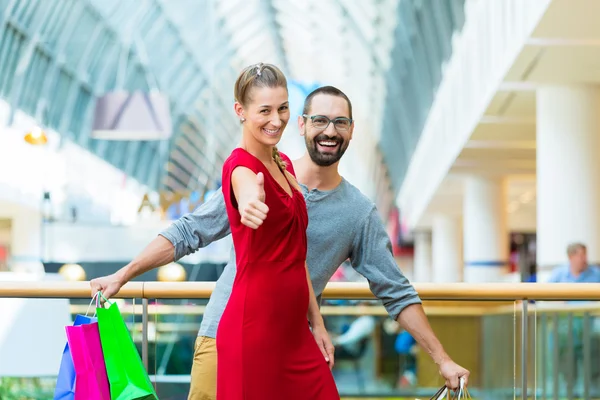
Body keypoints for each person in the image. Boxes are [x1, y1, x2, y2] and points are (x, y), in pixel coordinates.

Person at [90, 77, 470, 399]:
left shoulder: (358, 213)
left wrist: (442, 359)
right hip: (229, 334)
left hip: (293, 342)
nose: (329, 131)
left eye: (340, 122)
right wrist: (124, 274)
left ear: (352, 130)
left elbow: (394, 289)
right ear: (303, 125)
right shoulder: (263, 172)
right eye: (319, 120)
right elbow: (190, 230)